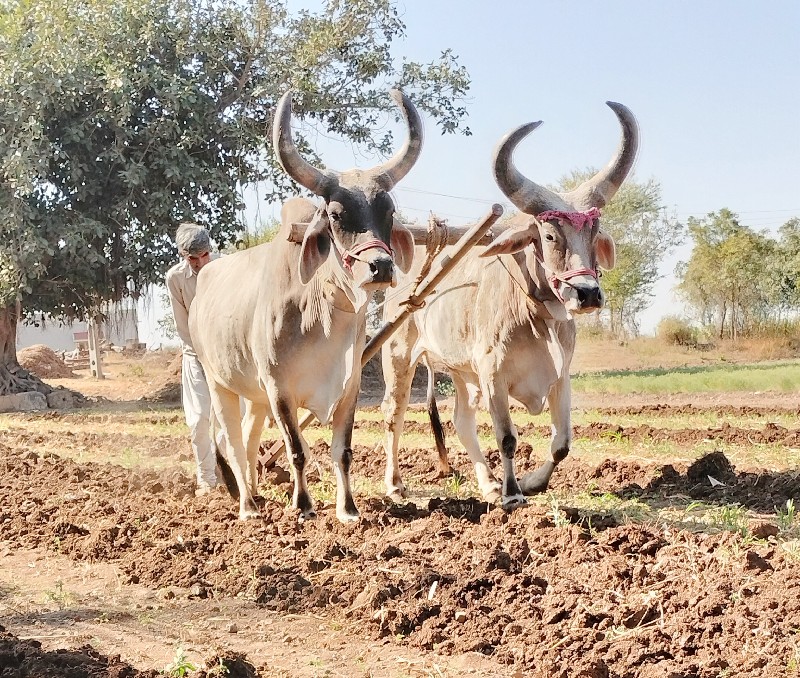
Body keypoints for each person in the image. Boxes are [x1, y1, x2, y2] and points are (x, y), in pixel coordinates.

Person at [165, 223, 218, 496]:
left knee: (228, 421)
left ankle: (231, 476)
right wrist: (201, 355)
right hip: (195, 355)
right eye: (193, 258)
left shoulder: (225, 270)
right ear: (184, 256)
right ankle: (206, 479)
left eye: (205, 255)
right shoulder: (175, 279)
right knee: (199, 420)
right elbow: (183, 326)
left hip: (226, 357)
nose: (200, 263)